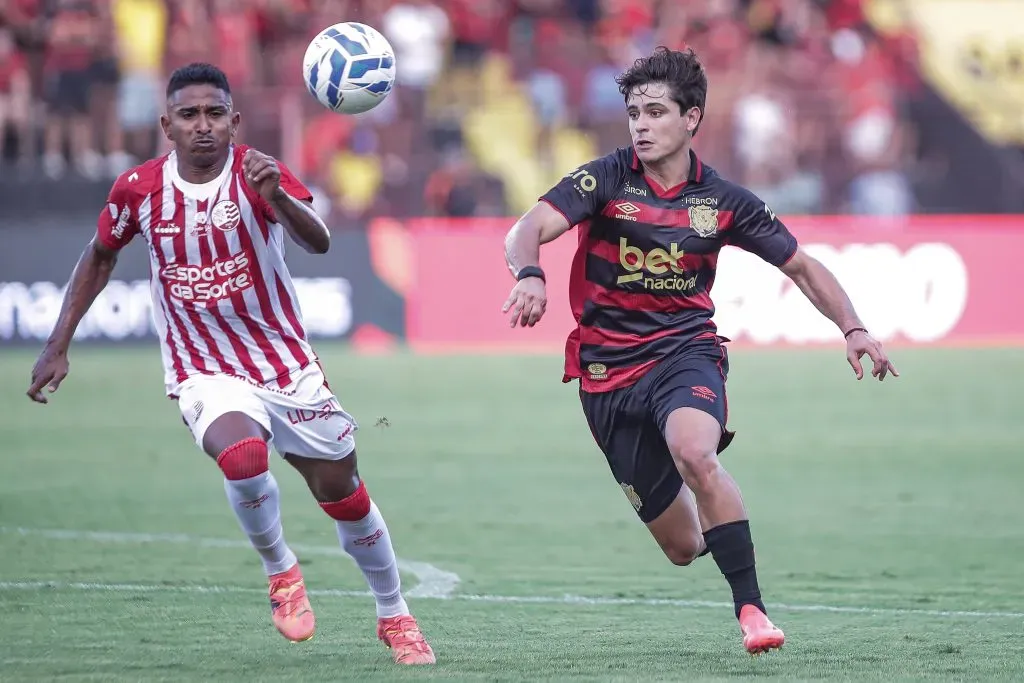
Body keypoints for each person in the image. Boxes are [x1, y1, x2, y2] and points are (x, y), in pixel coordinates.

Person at [26, 63, 435, 666]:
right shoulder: (138, 189)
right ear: (166, 124)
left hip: (285, 362)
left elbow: (317, 239)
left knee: (343, 493)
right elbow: (100, 257)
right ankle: (282, 571)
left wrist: (276, 199)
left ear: (234, 121)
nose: (202, 126)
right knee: (243, 456)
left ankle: (394, 613)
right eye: (189, 115)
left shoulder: (258, 173)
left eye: (215, 113)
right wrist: (59, 340)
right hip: (202, 367)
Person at [502, 46, 898, 656]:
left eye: (656, 111)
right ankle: (711, 509)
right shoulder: (603, 178)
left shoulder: (724, 202)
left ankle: (753, 611)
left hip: (685, 353)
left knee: (696, 451)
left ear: (692, 118)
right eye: (634, 111)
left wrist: (853, 328)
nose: (641, 123)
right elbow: (525, 228)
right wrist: (530, 272)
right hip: (605, 376)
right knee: (683, 548)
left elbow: (801, 265)